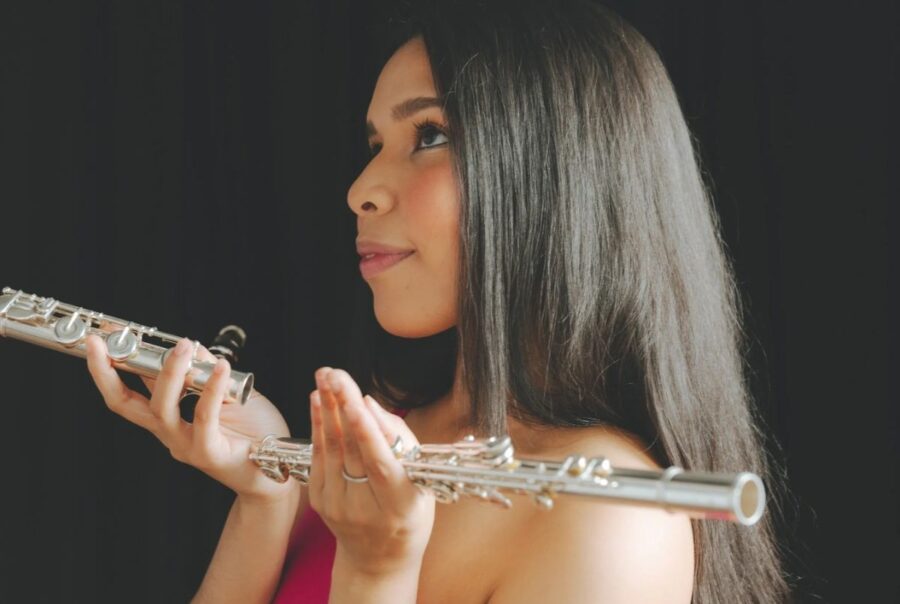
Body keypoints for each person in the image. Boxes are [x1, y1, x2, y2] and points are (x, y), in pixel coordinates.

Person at [85, 1, 790, 602]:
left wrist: (379, 569)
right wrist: (266, 491)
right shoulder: (387, 434)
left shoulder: (613, 522)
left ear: (559, 178)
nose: (360, 189)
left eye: (430, 135)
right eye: (375, 144)